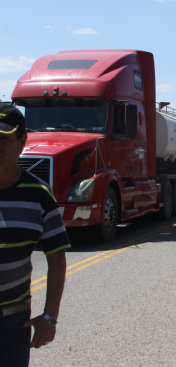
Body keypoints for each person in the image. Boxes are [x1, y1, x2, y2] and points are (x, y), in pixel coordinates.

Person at [0, 105, 71, 367]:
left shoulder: (39, 194)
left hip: (11, 324)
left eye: (4, 139)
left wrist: (50, 317)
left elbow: (56, 258)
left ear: (22, 143)